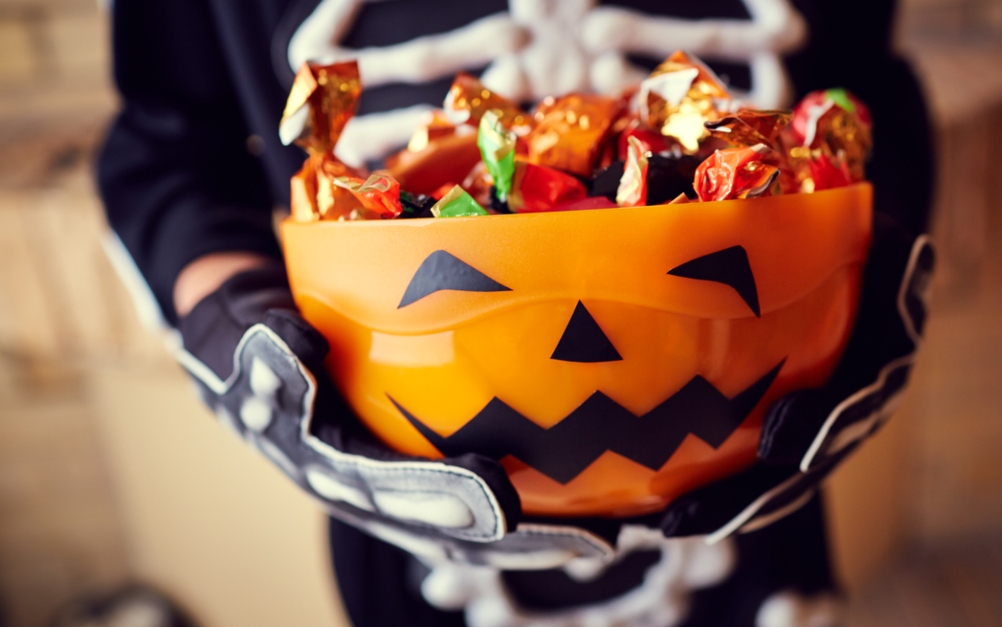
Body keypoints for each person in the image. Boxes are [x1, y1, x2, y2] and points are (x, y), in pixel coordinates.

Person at [98, 1, 934, 625]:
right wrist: (236, 332)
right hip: (413, 529)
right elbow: (168, 150)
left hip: (757, 477)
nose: (587, 347)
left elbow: (870, 85)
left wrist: (866, 280)